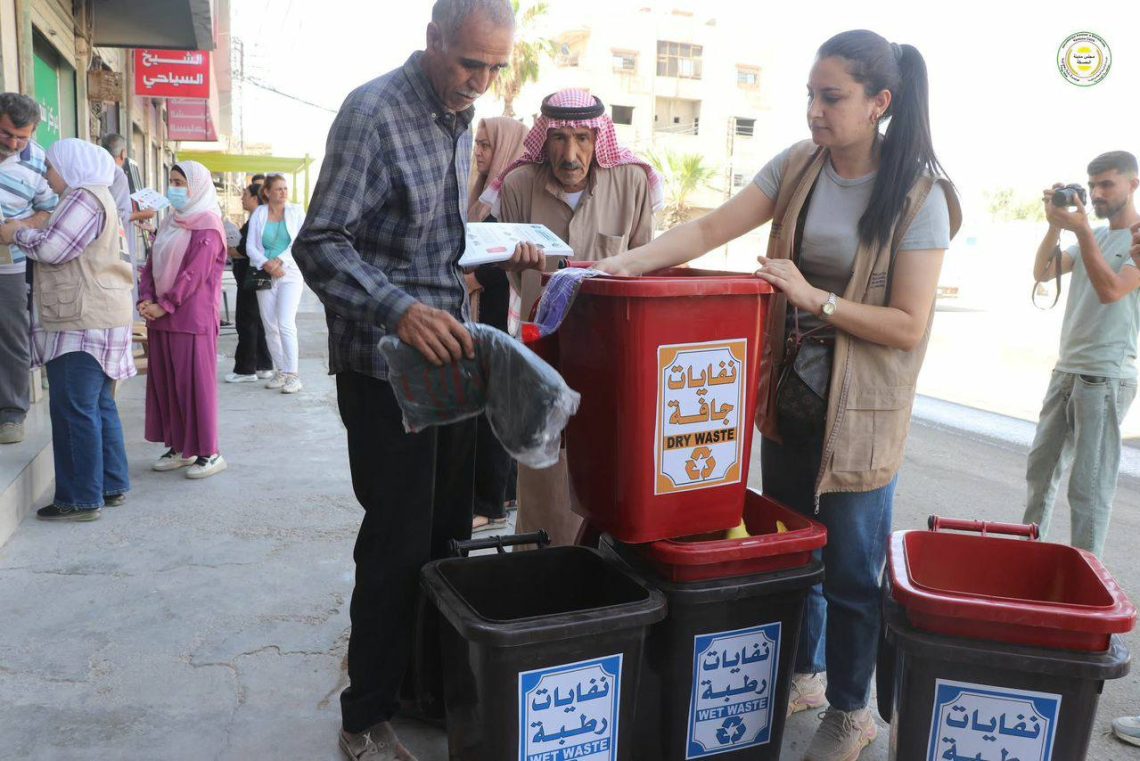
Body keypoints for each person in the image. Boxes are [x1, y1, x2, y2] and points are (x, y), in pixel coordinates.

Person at [597, 30, 960, 761]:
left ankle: (853, 709)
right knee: (792, 548)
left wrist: (812, 297)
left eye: (832, 98)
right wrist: (612, 266)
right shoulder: (798, 165)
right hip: (790, 397)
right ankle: (809, 673)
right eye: (810, 95)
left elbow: (908, 323)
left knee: (855, 569)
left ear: (879, 103)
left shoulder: (921, 195)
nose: (815, 112)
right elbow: (707, 227)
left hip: (860, 415)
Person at [291, 1, 544, 758]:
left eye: (497, 67)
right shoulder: (373, 112)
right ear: (432, 41)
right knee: (397, 543)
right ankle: (364, 715)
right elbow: (321, 243)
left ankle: (426, 686)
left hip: (448, 360)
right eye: (472, 62)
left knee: (448, 536)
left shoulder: (455, 114)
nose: (482, 80)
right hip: (383, 368)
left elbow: (431, 238)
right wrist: (397, 310)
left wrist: (495, 251)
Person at [486, 87, 661, 547]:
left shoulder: (632, 182)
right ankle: (538, 565)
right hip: (542, 352)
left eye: (583, 139)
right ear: (543, 140)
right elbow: (509, 273)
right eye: (559, 138)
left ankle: (603, 569)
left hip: (612, 354)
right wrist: (518, 264)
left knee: (608, 461)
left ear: (599, 139)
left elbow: (647, 267)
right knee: (543, 467)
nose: (570, 154)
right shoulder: (520, 184)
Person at [0, 138, 132, 521]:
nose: (48, 175)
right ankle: (109, 484)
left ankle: (79, 499)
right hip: (99, 316)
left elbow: (55, 248)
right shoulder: (99, 196)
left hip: (81, 322)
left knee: (74, 408)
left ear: (72, 168)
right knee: (98, 405)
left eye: (51, 167)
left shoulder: (82, 199)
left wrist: (16, 234)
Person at [1022, 152, 1140, 557]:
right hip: (1068, 369)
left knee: (1088, 489)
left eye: (1107, 184)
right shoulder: (1097, 236)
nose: (1096, 194)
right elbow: (1042, 272)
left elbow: (1111, 291)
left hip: (1106, 374)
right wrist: (1055, 227)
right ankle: (1024, 558)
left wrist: (1083, 229)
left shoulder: (1137, 237)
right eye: (1092, 186)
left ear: (1133, 184)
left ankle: (1085, 585)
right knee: (1040, 472)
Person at [138, 161, 228, 479]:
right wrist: (145, 298)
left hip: (191, 319)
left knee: (194, 387)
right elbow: (151, 264)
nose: (174, 188)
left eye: (181, 183)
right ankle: (180, 446)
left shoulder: (208, 227)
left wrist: (166, 304)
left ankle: (209, 451)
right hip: (161, 316)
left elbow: (195, 274)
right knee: (167, 385)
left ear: (198, 188)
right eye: (172, 181)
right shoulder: (171, 223)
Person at [466, 115, 528, 533]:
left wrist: (473, 276)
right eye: (478, 144)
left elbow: (510, 260)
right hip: (485, 312)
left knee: (494, 410)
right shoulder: (487, 195)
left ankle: (491, 504)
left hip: (503, 314)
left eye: (487, 145)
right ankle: (504, 492)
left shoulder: (513, 196)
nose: (479, 152)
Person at [0, 93, 56, 445]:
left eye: (23, 136)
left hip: (10, 265)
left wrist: (19, 227)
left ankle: (11, 413)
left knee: (11, 335)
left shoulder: (37, 160)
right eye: (7, 134)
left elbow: (47, 209)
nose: (15, 143)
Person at [245, 173, 305, 393]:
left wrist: (280, 262)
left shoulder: (296, 212)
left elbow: (301, 241)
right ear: (267, 192)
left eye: (285, 188)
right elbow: (250, 246)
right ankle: (281, 371)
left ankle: (293, 375)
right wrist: (267, 264)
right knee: (270, 325)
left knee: (286, 323)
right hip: (264, 273)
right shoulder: (259, 214)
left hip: (290, 273)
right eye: (278, 189)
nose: (283, 192)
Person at [225, 181, 275, 383]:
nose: (242, 198)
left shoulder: (257, 219)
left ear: (256, 198)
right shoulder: (264, 218)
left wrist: (230, 250)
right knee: (258, 322)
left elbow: (245, 249)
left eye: (245, 194)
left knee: (247, 322)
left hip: (251, 278)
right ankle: (264, 365)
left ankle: (245, 369)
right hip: (257, 277)